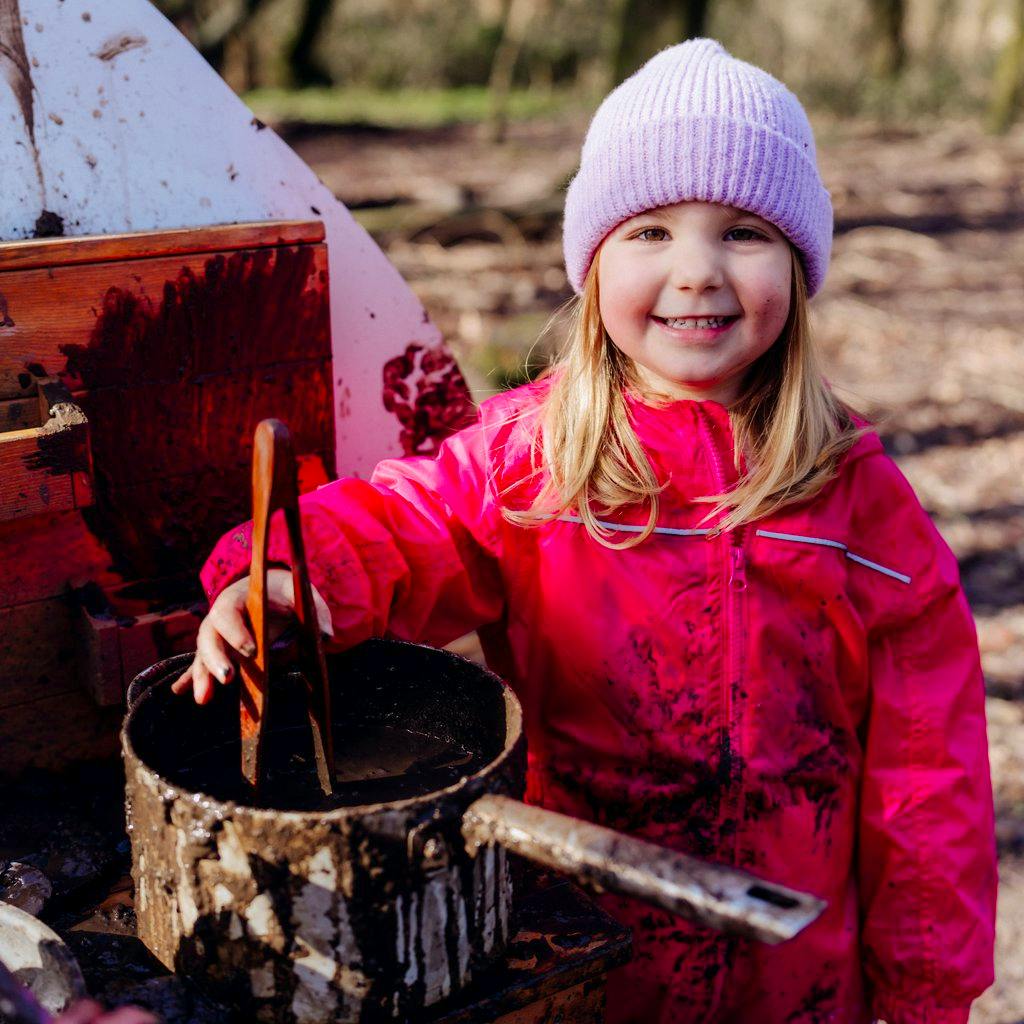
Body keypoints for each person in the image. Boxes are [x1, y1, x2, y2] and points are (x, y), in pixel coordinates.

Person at [172, 38, 997, 1024]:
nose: (696, 272)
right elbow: (406, 517)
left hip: (797, 978)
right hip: (590, 953)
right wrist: (282, 575)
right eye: (649, 231)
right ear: (592, 263)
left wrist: (922, 996)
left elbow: (926, 789)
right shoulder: (532, 457)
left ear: (799, 262)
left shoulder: (859, 506)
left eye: (743, 231)